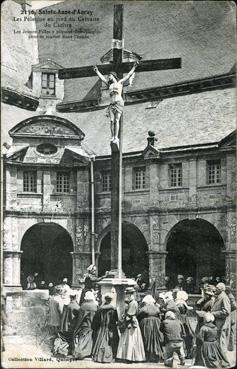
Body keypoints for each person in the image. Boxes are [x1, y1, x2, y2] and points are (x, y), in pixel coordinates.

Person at [93, 62, 138, 145]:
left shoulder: (119, 83)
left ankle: (116, 137)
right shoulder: (109, 84)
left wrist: (134, 68)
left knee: (117, 120)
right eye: (108, 76)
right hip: (111, 104)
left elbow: (128, 75)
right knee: (111, 120)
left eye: (109, 76)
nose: (108, 77)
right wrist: (97, 71)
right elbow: (102, 78)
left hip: (118, 102)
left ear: (113, 75)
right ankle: (112, 136)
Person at [116, 287, 146, 362]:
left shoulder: (133, 303)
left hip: (131, 322)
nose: (126, 295)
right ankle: (128, 356)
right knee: (130, 339)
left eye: (128, 293)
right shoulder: (130, 302)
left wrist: (124, 319)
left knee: (130, 339)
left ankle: (130, 357)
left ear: (130, 294)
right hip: (130, 320)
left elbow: (130, 314)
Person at [92, 293, 119, 363]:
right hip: (111, 326)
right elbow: (116, 319)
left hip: (102, 326)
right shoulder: (113, 309)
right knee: (110, 341)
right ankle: (109, 356)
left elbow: (97, 318)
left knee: (101, 340)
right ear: (110, 300)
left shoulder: (101, 308)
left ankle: (99, 356)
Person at [137, 294, 164, 362]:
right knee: (155, 338)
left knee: (147, 338)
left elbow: (139, 315)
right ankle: (156, 355)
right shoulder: (156, 307)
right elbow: (159, 315)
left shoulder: (144, 308)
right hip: (156, 324)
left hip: (146, 324)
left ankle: (148, 355)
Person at [73, 291, 98, 359]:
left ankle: (80, 353)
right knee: (90, 339)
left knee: (82, 339)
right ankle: (88, 353)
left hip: (84, 324)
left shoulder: (83, 305)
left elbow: (80, 317)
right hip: (92, 324)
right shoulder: (95, 305)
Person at [211, 282, 231, 355]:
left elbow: (226, 311)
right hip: (218, 322)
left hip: (221, 323)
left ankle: (223, 358)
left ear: (222, 290)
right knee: (218, 340)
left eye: (217, 288)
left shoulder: (224, 297)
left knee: (221, 341)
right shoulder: (219, 296)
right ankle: (219, 356)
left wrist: (213, 313)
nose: (215, 289)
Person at [175, 291, 194, 359]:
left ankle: (186, 353)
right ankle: (187, 353)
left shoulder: (179, 303)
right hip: (183, 319)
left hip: (181, 319)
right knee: (186, 335)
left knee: (185, 336)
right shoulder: (181, 303)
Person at [225, 285, 237, 351]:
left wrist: (228, 309)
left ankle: (230, 347)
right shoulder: (230, 296)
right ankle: (230, 346)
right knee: (231, 331)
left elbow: (235, 306)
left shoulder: (230, 297)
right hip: (232, 315)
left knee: (231, 331)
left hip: (232, 315)